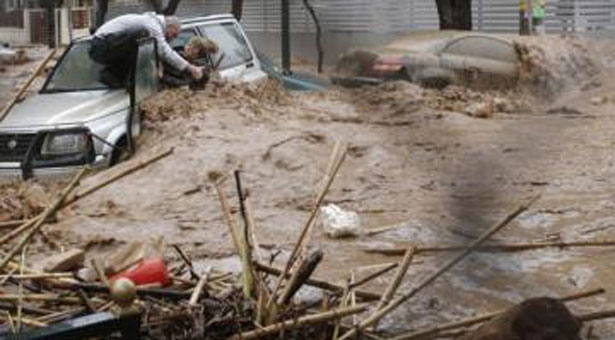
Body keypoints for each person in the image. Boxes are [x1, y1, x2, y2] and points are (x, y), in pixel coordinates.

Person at [89, 13, 203, 88]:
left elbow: (157, 51)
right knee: (143, 35)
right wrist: (190, 68)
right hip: (101, 45)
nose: (173, 38)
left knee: (145, 44)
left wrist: (159, 64)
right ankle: (127, 79)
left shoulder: (150, 22)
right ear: (170, 26)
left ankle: (112, 75)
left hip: (106, 46)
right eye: (174, 34)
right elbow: (163, 50)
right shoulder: (152, 24)